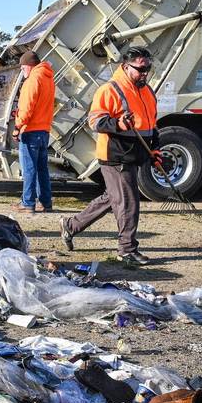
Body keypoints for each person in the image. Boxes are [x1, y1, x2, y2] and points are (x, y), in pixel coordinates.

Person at [60, 46, 157, 265]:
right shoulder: (110, 90)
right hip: (116, 155)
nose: (145, 73)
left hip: (136, 154)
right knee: (128, 201)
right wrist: (119, 123)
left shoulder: (147, 91)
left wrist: (155, 150)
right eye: (140, 69)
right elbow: (95, 121)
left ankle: (70, 225)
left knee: (112, 198)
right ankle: (127, 250)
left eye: (148, 69)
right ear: (125, 66)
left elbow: (152, 124)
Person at [12, 50, 55, 213]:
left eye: (23, 68)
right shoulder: (48, 78)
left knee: (29, 169)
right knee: (42, 169)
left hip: (30, 131)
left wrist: (17, 127)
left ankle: (27, 203)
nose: (22, 72)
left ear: (29, 66)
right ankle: (45, 202)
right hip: (44, 130)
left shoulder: (32, 81)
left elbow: (26, 108)